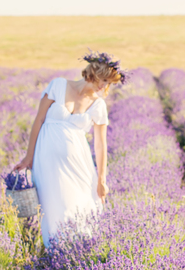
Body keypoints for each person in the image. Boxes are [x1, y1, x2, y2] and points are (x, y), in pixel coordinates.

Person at [13, 51, 128, 247]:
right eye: (104, 79)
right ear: (94, 72)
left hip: (79, 164)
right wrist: (28, 156)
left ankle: (77, 255)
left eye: (108, 83)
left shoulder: (98, 105)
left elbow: (100, 145)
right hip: (46, 160)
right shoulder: (58, 85)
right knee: (52, 209)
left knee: (80, 207)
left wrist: (101, 180)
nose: (104, 86)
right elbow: (39, 121)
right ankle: (55, 254)